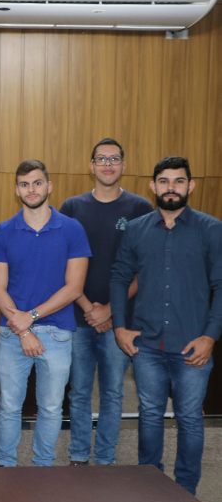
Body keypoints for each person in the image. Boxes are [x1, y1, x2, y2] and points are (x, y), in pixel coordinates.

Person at [110, 156, 222, 495]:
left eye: (178, 181)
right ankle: (151, 487)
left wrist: (210, 337)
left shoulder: (212, 229)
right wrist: (119, 326)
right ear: (153, 186)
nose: (170, 187)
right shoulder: (136, 228)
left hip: (193, 346)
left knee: (189, 418)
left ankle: (186, 491)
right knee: (150, 415)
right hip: (147, 346)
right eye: (164, 181)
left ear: (190, 186)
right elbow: (119, 277)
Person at [0, 160, 90, 467]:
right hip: (12, 334)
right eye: (24, 184)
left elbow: (74, 287)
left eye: (37, 183)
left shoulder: (72, 229)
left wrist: (30, 317)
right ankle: (6, 467)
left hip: (57, 334)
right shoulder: (3, 232)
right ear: (17, 189)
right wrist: (24, 328)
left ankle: (43, 470)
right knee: (7, 407)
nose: (31, 189)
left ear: (49, 186)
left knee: (51, 408)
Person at [60, 139, 153, 466]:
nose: (108, 164)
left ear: (123, 166)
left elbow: (146, 268)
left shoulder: (141, 208)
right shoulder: (72, 207)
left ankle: (105, 459)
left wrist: (110, 310)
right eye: (101, 159)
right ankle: (79, 456)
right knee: (80, 392)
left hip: (121, 321)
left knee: (114, 393)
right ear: (92, 165)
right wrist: (89, 308)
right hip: (78, 316)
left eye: (114, 159)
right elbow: (63, 264)